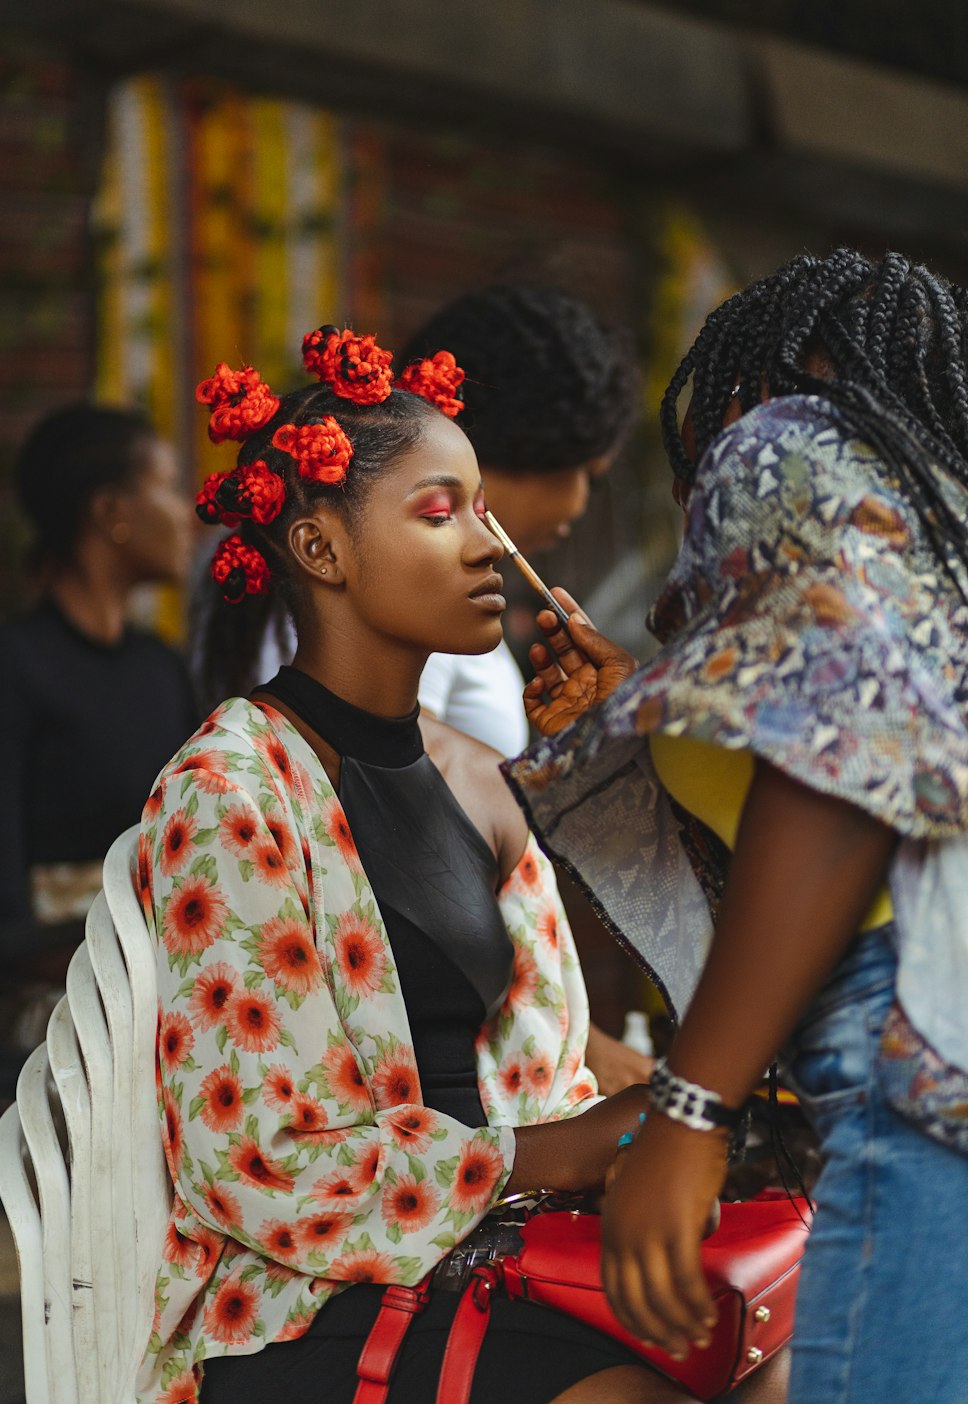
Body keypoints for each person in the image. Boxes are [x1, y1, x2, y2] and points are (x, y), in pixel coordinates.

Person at [138, 333, 787, 1404]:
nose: (488, 544)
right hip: (305, 1297)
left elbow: (670, 991)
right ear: (320, 548)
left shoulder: (486, 774)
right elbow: (254, 1160)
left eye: (485, 508)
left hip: (497, 1255)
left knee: (761, 1356)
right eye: (441, 512)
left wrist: (614, 769)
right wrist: (547, 1158)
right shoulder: (231, 787)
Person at [508, 249, 968, 1404]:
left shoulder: (783, 441)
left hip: (909, 1069)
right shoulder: (934, 523)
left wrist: (687, 1106)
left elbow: (835, 783)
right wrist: (652, 717)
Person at [400, 284, 652, 1094]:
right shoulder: (391, 628)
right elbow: (402, 859)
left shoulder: (456, 626)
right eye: (589, 474)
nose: (579, 510)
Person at [0, 403, 196, 1055]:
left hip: (166, 973)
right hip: (58, 1010)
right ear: (110, 511)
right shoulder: (7, 668)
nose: (187, 512)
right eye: (167, 485)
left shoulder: (164, 668)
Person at [399, 282, 633, 759]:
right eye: (591, 475)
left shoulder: (438, 596)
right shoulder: (413, 597)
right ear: (539, 445)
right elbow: (395, 792)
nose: (582, 503)